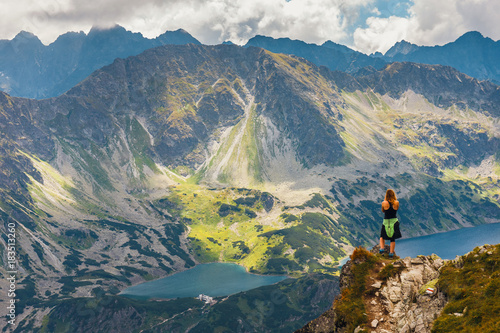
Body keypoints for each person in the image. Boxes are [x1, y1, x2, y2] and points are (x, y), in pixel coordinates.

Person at [379, 189, 402, 258]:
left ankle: (382, 249)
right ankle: (391, 254)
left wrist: (385, 200)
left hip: (386, 221)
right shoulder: (396, 202)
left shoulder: (384, 203)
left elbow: (383, 210)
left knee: (382, 236)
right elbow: (396, 209)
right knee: (393, 239)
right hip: (394, 221)